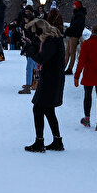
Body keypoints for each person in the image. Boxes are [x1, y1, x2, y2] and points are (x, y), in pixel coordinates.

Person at [23, 18, 66, 152]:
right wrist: (32, 44)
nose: (36, 35)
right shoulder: (53, 39)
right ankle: (57, 141)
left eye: (36, 32)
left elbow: (42, 58)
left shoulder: (51, 41)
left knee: (38, 108)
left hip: (50, 79)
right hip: (53, 78)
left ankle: (39, 142)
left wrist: (29, 48)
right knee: (48, 109)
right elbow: (44, 52)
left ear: (42, 30)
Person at [74, 25, 97, 132]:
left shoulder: (86, 44)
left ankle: (87, 119)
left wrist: (77, 76)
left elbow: (81, 61)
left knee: (87, 96)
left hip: (89, 73)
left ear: (92, 31)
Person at [63, 0, 87, 75]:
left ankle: (70, 69)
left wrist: (68, 31)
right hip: (72, 35)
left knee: (71, 52)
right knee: (67, 52)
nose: (73, 6)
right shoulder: (76, 14)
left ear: (77, 6)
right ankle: (63, 67)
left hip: (75, 35)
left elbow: (77, 26)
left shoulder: (80, 15)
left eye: (74, 5)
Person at [18, 5, 38, 94]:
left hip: (33, 49)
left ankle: (29, 86)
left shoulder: (31, 27)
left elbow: (34, 40)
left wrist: (26, 40)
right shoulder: (33, 26)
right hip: (33, 49)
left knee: (30, 68)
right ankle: (31, 84)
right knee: (34, 67)